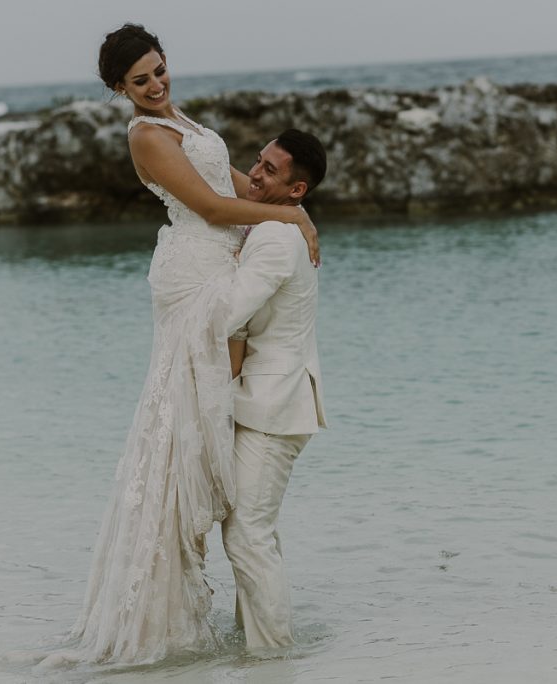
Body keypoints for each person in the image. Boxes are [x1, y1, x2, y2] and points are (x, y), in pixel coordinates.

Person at [45, 24, 321, 667]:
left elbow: (236, 188)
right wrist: (293, 214)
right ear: (120, 89)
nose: (156, 84)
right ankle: (192, 619)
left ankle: (242, 627)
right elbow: (212, 207)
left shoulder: (180, 120)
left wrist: (276, 198)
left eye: (160, 70)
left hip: (215, 256)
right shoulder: (145, 134)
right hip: (197, 262)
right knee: (188, 416)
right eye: (140, 81)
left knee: (208, 404)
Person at [221, 129, 328, 651]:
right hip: (267, 401)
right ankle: (258, 645)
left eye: (270, 170)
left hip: (274, 407)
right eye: (256, 162)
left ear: (297, 190)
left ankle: (271, 658)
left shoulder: (275, 238)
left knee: (247, 536)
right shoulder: (276, 224)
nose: (255, 174)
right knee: (257, 534)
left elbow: (225, 314)